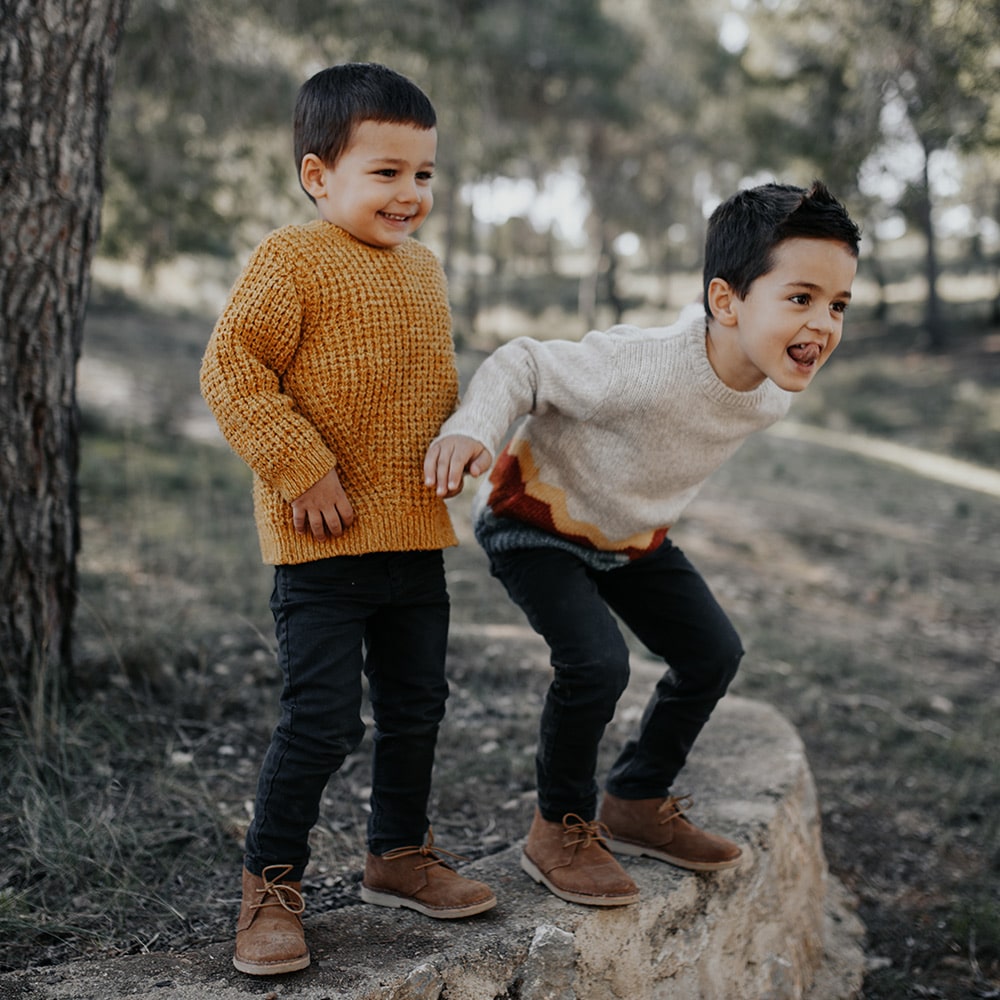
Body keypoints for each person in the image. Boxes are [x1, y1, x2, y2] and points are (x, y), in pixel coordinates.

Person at [424, 181, 861, 907]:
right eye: (801, 298)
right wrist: (473, 426)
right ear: (726, 302)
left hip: (628, 535)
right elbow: (524, 363)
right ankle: (559, 828)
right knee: (596, 663)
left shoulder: (775, 390)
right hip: (535, 521)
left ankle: (633, 802)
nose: (823, 323)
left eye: (838, 305)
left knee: (713, 653)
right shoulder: (647, 363)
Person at [201, 62, 496, 977]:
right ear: (318, 174)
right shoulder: (291, 259)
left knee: (417, 709)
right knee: (323, 719)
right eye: (387, 172)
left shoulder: (427, 269)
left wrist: (461, 436)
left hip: (414, 539)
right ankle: (272, 881)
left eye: (425, 174)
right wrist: (300, 464)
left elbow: (428, 389)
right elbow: (230, 370)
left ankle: (397, 854)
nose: (411, 194)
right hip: (321, 545)